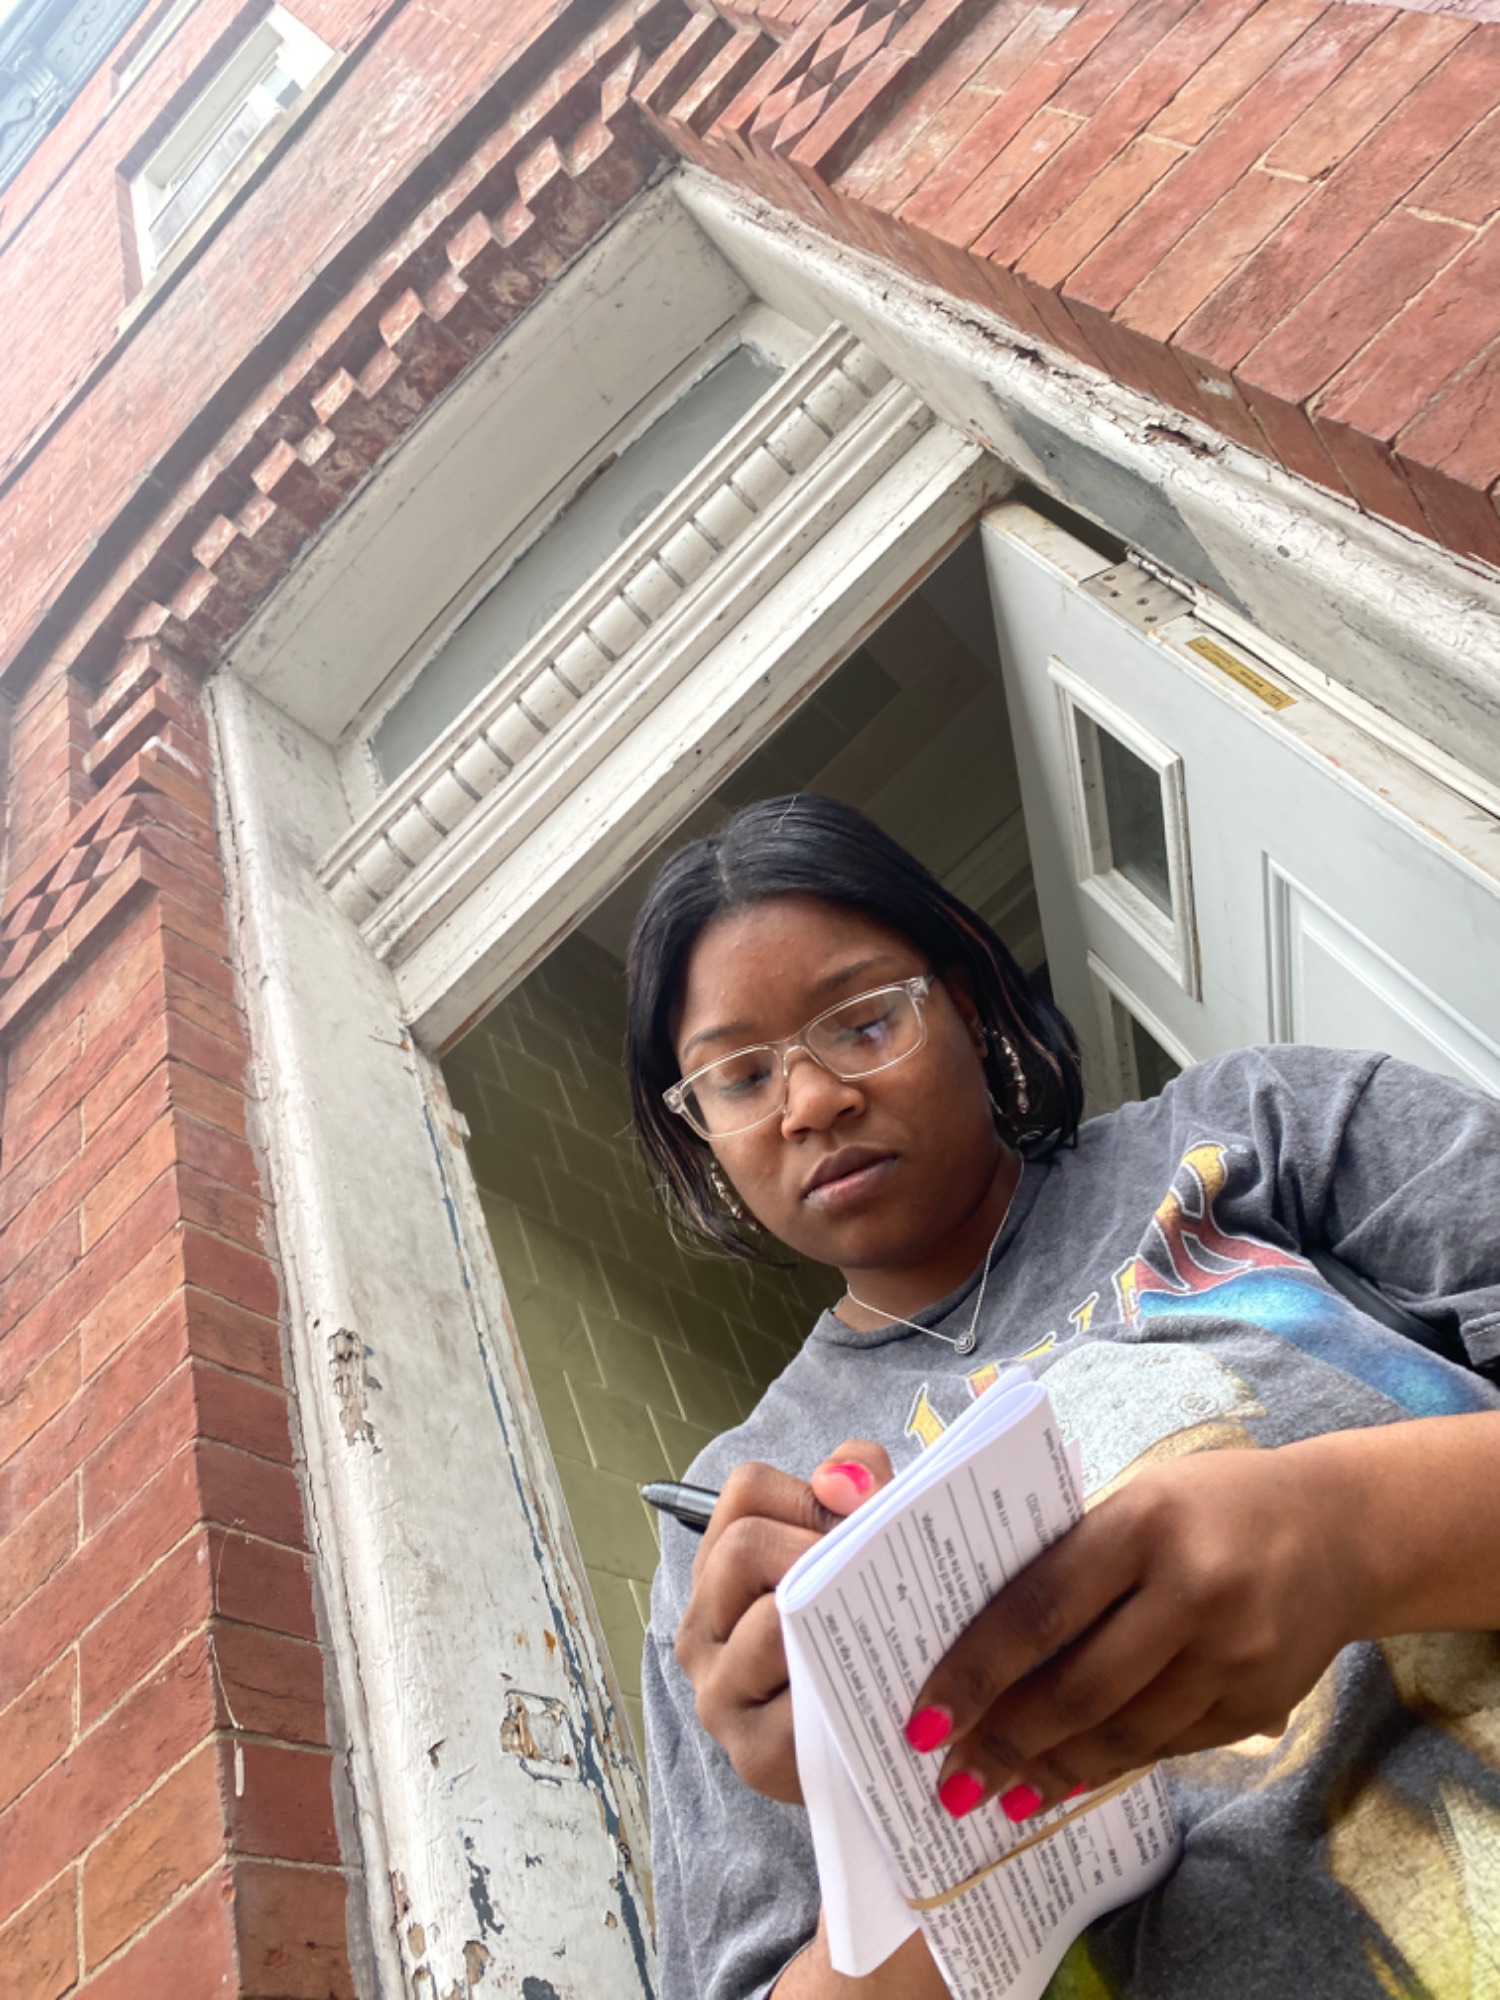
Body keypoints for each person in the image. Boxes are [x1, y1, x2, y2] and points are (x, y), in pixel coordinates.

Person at [626, 793, 1500, 2000]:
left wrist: (1349, 1532)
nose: (811, 1100)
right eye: (738, 1076)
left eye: (865, 1018)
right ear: (705, 1137)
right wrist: (903, 1818)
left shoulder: (1255, 1125)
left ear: (967, 1000)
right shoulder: (731, 1531)